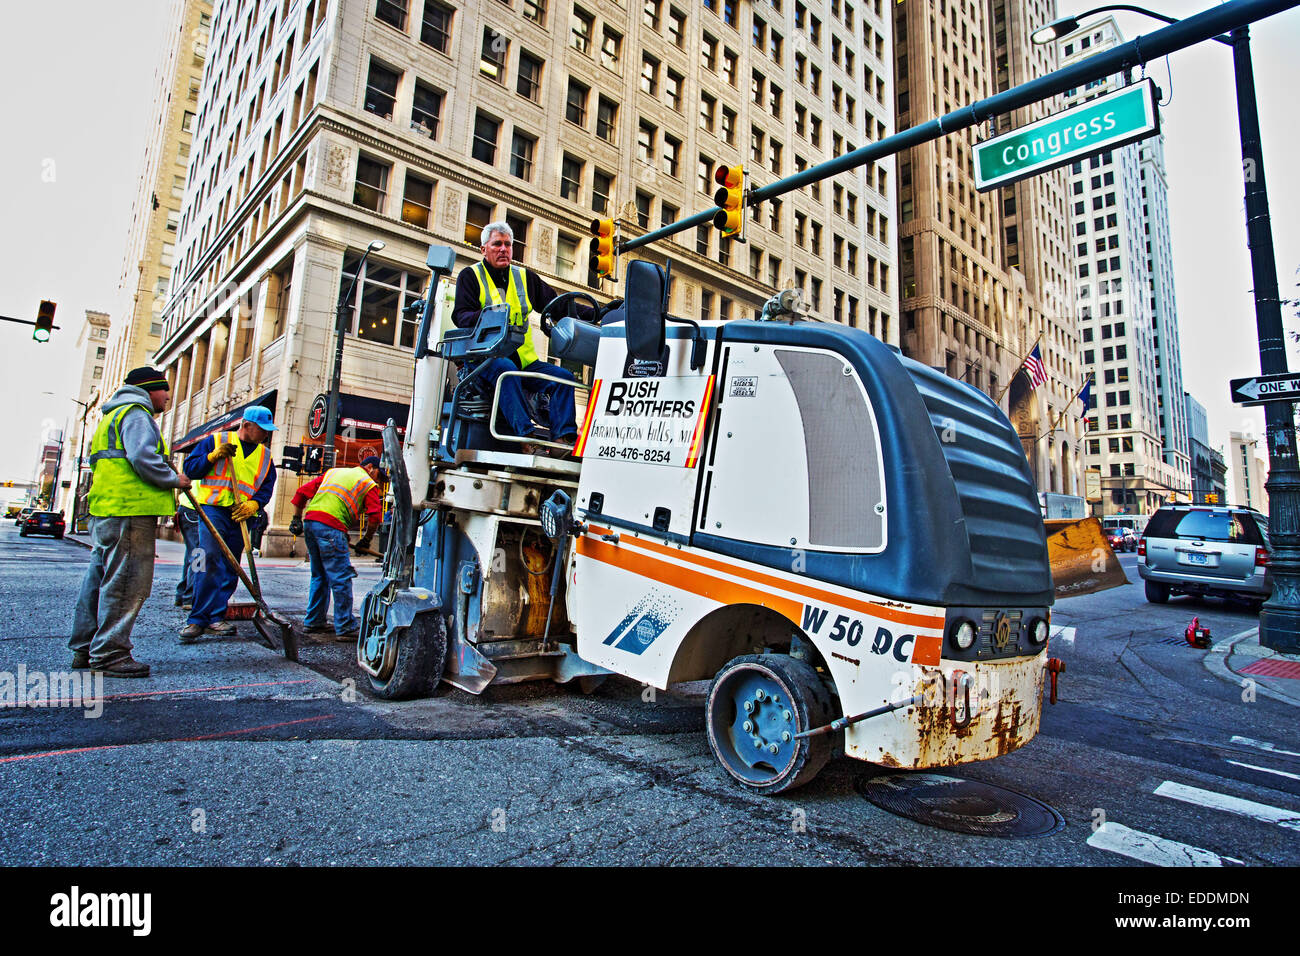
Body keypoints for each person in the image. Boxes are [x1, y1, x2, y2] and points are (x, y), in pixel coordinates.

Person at [71, 367, 192, 678]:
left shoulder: (112, 415)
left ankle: (86, 648)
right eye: (165, 390)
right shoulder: (137, 414)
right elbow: (142, 457)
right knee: (126, 582)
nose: (168, 397)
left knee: (99, 580)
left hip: (107, 510)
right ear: (150, 389)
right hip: (129, 511)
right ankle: (110, 654)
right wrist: (172, 479)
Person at [452, 220, 579, 449]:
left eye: (508, 245)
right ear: (483, 249)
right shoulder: (470, 276)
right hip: (484, 360)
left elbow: (557, 306)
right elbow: (460, 315)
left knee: (564, 378)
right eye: (497, 244)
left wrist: (600, 312)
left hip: (525, 362)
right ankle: (525, 437)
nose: (503, 249)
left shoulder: (525, 278)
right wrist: (490, 317)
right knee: (505, 371)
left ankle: (562, 439)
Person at [178, 406, 278, 642]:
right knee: (208, 558)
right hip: (212, 509)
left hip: (240, 514)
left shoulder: (265, 455)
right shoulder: (216, 441)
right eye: (262, 430)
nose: (266, 434)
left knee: (231, 565)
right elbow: (190, 469)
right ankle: (197, 618)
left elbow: (266, 486)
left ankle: (215, 616)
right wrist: (212, 457)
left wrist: (255, 504)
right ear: (246, 426)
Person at [288, 455, 386, 641]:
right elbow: (374, 518)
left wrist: (296, 519)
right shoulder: (367, 483)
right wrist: (366, 540)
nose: (378, 482)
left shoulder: (333, 473)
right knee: (341, 577)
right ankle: (345, 626)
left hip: (311, 524)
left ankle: (314, 621)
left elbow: (301, 493)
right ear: (371, 468)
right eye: (379, 476)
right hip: (331, 528)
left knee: (320, 575)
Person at [173, 496, 200, 610]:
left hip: (187, 509)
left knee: (193, 553)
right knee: (199, 554)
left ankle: (182, 594)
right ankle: (190, 597)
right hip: (194, 510)